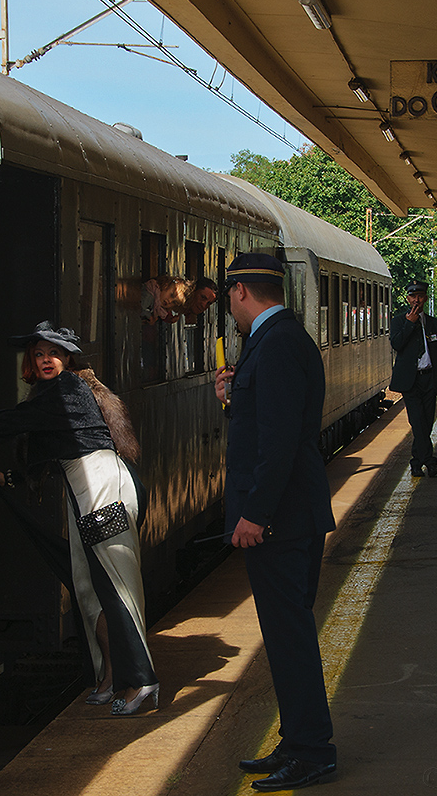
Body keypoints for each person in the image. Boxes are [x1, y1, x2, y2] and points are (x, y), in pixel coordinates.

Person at [0, 322, 159, 716]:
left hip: (104, 489)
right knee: (90, 590)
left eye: (54, 353)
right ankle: (112, 675)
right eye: (39, 354)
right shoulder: (56, 393)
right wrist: (8, 477)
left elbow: (14, 422)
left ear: (67, 358)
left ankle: (142, 680)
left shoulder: (64, 389)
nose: (46, 359)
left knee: (116, 586)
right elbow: (49, 451)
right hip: (87, 490)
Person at [214, 253, 337, 791]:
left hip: (280, 521)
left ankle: (312, 752)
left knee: (290, 639)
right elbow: (263, 424)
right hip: (285, 517)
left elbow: (280, 442)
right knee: (287, 637)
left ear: (241, 290)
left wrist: (255, 515)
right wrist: (229, 400)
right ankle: (297, 741)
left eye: (229, 294)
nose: (229, 304)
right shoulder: (275, 340)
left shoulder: (278, 342)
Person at [389, 281, 437, 477]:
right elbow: (397, 344)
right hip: (410, 381)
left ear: (425, 298)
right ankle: (429, 462)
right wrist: (410, 323)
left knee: (427, 423)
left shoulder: (434, 324)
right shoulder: (399, 321)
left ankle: (417, 462)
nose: (417, 300)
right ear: (408, 299)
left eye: (420, 296)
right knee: (417, 422)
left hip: (429, 378)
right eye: (413, 297)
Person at [141, 275, 218, 324]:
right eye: (203, 297)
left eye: (208, 303)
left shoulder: (167, 307)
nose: (204, 305)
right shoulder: (152, 292)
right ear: (194, 292)